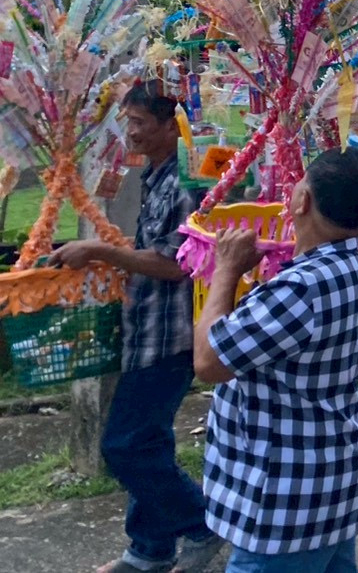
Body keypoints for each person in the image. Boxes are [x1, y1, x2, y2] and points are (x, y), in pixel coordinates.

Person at [193, 148, 358, 572]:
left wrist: (225, 270)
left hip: (284, 502)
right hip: (333, 481)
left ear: (302, 201)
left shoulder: (301, 289)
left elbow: (209, 361)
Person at [55, 82, 221, 573]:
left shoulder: (184, 182)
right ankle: (148, 550)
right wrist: (113, 250)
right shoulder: (156, 176)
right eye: (127, 122)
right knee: (149, 442)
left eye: (140, 123)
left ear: (172, 126)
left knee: (123, 446)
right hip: (145, 325)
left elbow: (175, 263)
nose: (131, 132)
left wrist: (101, 251)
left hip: (169, 336)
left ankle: (201, 522)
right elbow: (152, 247)